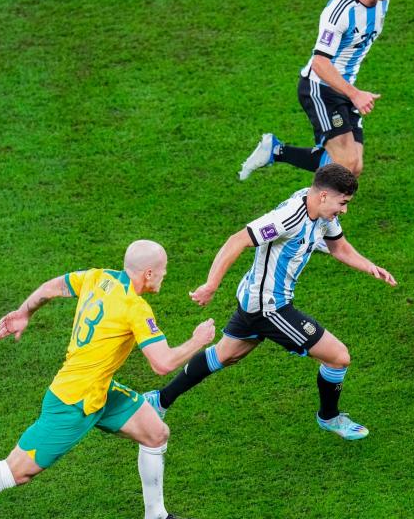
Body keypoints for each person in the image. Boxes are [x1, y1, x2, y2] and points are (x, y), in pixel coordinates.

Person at [0, 241, 214, 519]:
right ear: (149, 272)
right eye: (165, 269)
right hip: (73, 401)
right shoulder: (134, 307)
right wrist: (197, 341)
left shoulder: (98, 277)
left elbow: (51, 287)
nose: (166, 274)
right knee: (16, 471)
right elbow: (163, 363)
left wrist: (24, 312)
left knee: (156, 433)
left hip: (99, 389)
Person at [143, 165, 397, 440]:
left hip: (254, 301)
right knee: (339, 357)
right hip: (270, 308)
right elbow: (236, 240)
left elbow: (339, 247)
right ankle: (329, 417)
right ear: (323, 196)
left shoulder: (321, 211)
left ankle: (159, 400)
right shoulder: (288, 218)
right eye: (343, 203)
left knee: (226, 354)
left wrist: (369, 266)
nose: (344, 210)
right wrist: (210, 286)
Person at [238, 0, 396, 181]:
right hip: (319, 88)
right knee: (345, 165)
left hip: (344, 88)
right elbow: (319, 63)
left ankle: (275, 151)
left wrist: (350, 92)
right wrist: (355, 94)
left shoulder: (382, 1)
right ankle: (313, 208)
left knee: (354, 167)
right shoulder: (339, 11)